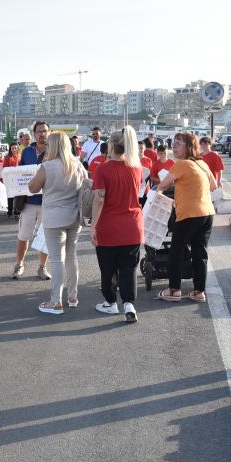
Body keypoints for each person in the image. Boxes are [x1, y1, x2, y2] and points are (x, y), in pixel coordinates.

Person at [28, 131, 87, 314]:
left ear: (52, 146)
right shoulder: (77, 165)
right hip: (74, 217)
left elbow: (32, 188)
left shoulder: (47, 166)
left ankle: (56, 301)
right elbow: (86, 187)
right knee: (71, 256)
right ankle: (73, 296)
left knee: (56, 259)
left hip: (54, 218)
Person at [155, 132, 217, 303]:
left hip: (189, 214)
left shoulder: (182, 164)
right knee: (199, 253)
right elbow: (214, 185)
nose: (173, 147)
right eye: (173, 143)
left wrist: (165, 195)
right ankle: (199, 292)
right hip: (207, 213)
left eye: (178, 144)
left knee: (176, 251)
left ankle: (174, 290)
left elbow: (162, 185)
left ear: (189, 146)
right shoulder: (202, 163)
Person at [91, 126, 144, 322]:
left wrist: (93, 227)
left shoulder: (103, 169)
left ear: (111, 146)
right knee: (129, 267)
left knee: (108, 268)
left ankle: (111, 302)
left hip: (108, 226)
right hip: (132, 225)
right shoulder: (136, 168)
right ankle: (129, 303)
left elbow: (99, 199)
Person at [12, 121, 51, 280]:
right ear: (34, 134)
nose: (42, 134)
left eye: (45, 131)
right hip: (28, 201)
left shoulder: (54, 151)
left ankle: (42, 267)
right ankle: (19, 264)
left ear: (49, 132)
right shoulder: (27, 151)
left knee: (45, 236)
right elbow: (20, 173)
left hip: (47, 202)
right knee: (23, 235)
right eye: (39, 131)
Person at [2, 142, 20, 218]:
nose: (14, 149)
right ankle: (9, 212)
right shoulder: (7, 157)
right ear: (10, 149)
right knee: (10, 196)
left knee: (17, 196)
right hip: (10, 179)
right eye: (12, 148)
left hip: (18, 179)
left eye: (15, 148)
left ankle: (16, 212)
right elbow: (4, 169)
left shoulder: (20, 156)